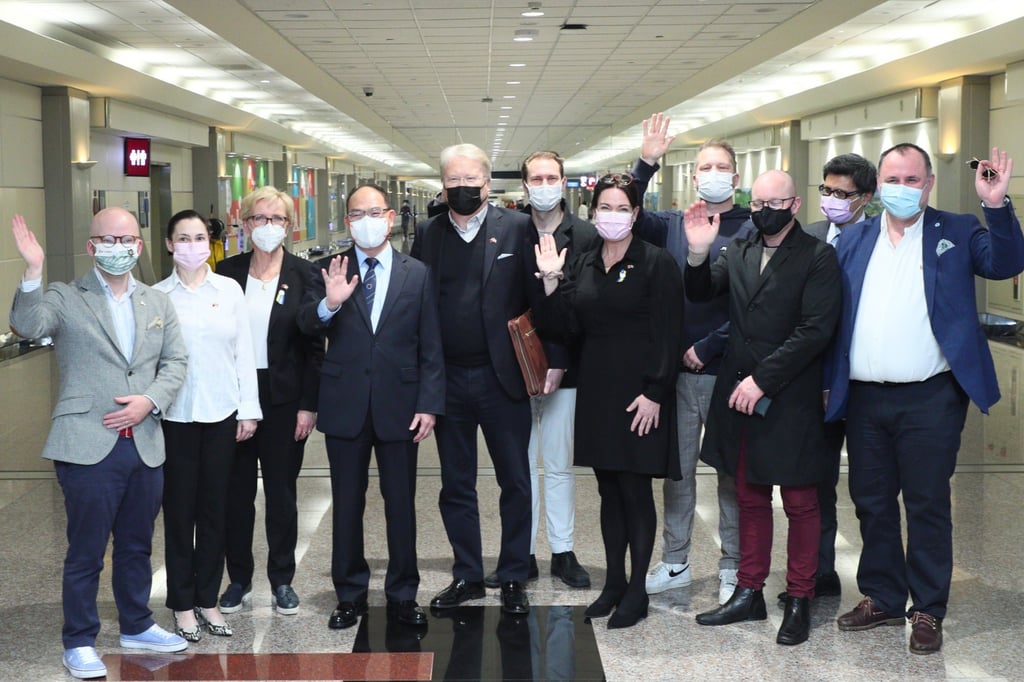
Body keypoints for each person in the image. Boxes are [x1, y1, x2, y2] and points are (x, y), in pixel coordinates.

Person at [827, 145, 1024, 654]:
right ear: (878, 185)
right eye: (893, 177)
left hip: (930, 399)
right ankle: (884, 597)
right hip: (865, 399)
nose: (902, 187)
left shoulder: (955, 231)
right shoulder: (854, 238)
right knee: (871, 504)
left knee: (928, 503)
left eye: (912, 179)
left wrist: (997, 205)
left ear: (928, 184)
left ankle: (929, 609)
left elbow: (1004, 263)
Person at [9, 209, 189, 680]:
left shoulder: (157, 302)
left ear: (139, 245)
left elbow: (175, 362)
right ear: (91, 247)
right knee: (86, 549)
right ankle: (79, 639)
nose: (118, 245)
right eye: (107, 238)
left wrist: (149, 400)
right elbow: (28, 326)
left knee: (137, 544)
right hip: (87, 444)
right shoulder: (66, 297)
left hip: (145, 442)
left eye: (126, 237)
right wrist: (32, 270)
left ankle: (136, 623)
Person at [686, 170, 841, 646]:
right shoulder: (741, 247)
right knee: (749, 495)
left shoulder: (818, 256)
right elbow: (702, 292)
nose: (762, 210)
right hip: (738, 392)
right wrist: (697, 251)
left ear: (794, 205)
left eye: (773, 202)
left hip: (788, 394)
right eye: (755, 203)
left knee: (799, 501)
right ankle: (748, 592)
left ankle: (799, 597)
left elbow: (815, 330)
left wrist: (763, 380)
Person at [534, 172, 684, 629]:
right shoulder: (583, 261)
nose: (612, 216)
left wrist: (655, 392)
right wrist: (550, 281)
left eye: (622, 208)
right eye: (605, 208)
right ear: (592, 212)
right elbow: (565, 327)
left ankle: (637, 590)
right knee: (607, 489)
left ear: (636, 214)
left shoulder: (657, 263)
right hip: (597, 391)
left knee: (635, 490)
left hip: (641, 394)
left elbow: (670, 332)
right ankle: (614, 582)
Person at [296, 184, 444, 630]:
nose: (367, 219)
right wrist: (329, 303)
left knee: (400, 503)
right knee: (346, 503)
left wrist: (430, 403)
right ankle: (350, 593)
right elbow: (303, 326)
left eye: (374, 211)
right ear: (347, 222)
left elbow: (431, 344)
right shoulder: (326, 270)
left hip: (401, 405)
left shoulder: (417, 273)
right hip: (345, 405)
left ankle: (402, 593)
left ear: (391, 217)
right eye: (357, 213)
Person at [410, 143, 543, 615]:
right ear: (442, 184)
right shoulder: (427, 233)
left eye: (471, 180)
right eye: (452, 181)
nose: (462, 188)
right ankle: (467, 574)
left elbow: (536, 300)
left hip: (500, 378)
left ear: (488, 184)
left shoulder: (519, 228)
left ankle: (511, 576)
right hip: (448, 382)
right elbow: (417, 304)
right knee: (455, 484)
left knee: (515, 480)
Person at [630, 114, 748, 605]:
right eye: (705, 166)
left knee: (729, 476)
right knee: (677, 472)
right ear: (693, 176)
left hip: (729, 373)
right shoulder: (676, 225)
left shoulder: (752, 228)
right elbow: (629, 211)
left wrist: (710, 346)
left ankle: (733, 565)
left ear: (736, 179)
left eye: (721, 166)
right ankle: (675, 559)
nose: (712, 173)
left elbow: (752, 303)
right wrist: (646, 162)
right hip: (678, 373)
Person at [480, 151, 599, 591]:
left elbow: (583, 305)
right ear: (525, 186)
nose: (544, 185)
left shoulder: (584, 236)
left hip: (565, 368)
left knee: (559, 463)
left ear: (564, 181)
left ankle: (563, 551)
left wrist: (559, 358)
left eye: (552, 177)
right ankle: (522, 553)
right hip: (514, 370)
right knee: (519, 467)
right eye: (536, 178)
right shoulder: (510, 231)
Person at [153, 210, 262, 642]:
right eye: (183, 238)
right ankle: (181, 603)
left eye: (200, 237)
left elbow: (244, 353)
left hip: (222, 415)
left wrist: (248, 409)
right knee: (180, 513)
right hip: (175, 418)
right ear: (169, 244)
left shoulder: (229, 290)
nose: (192, 246)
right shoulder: (157, 296)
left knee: (217, 512)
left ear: (211, 243)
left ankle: (208, 598)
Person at [216, 186, 323, 616]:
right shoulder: (225, 272)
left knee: (281, 493)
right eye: (259, 219)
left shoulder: (304, 274)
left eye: (277, 219)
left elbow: (315, 346)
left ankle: (282, 580)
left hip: (284, 397)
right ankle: (238, 578)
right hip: (235, 395)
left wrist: (308, 405)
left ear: (289, 226)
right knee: (235, 494)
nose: (268, 227)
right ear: (245, 225)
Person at [775, 153, 876, 606]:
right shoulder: (808, 237)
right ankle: (819, 569)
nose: (832, 200)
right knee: (815, 478)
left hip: (863, 378)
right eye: (827, 191)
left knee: (870, 486)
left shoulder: (877, 240)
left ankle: (881, 586)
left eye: (843, 193)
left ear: (866, 198)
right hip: (811, 379)